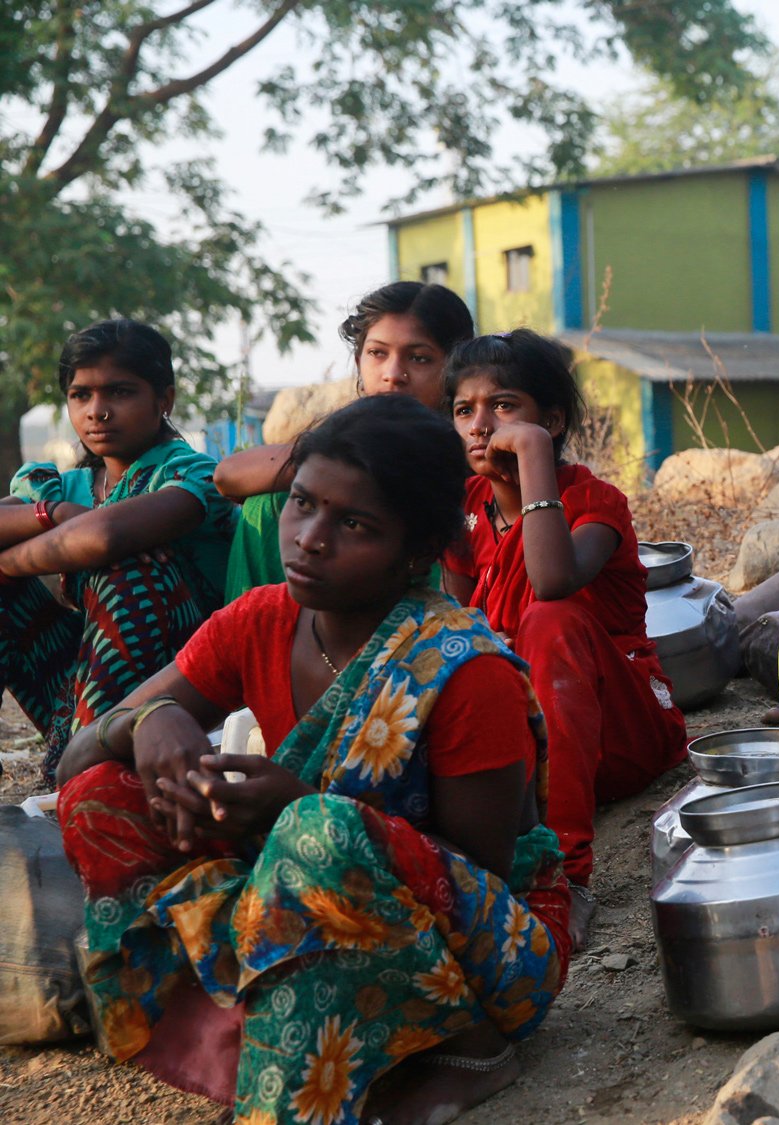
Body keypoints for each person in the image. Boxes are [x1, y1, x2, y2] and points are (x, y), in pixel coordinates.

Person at [53, 395, 569, 1125]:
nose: (309, 539)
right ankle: (264, 1028)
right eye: (302, 504)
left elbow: (482, 878)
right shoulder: (261, 619)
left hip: (483, 959)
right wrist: (149, 721)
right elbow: (75, 760)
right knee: (101, 793)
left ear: (416, 550)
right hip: (303, 899)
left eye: (353, 523)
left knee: (318, 833)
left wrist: (297, 806)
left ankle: (462, 1046)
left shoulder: (461, 668)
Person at [441, 330, 685, 892]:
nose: (481, 424)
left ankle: (564, 873)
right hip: (524, 733)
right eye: (464, 410)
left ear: (550, 423)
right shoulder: (465, 510)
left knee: (550, 620)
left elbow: (551, 582)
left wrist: (530, 459)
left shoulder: (594, 502)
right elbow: (454, 630)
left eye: (503, 406)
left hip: (621, 731)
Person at [0, 320, 237, 783]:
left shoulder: (193, 475)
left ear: (164, 400)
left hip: (183, 697)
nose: (97, 411)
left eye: (120, 392)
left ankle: (89, 770)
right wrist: (57, 514)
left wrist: (10, 560)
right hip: (74, 691)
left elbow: (105, 539)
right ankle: (75, 749)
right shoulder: (60, 486)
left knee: (129, 564)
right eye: (80, 395)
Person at [215, 281, 475, 601]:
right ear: (358, 363)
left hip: (433, 633)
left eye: (419, 358)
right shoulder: (337, 444)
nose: (393, 373)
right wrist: (357, 454)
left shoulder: (474, 451)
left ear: (454, 370)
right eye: (377, 353)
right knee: (268, 506)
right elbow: (227, 476)